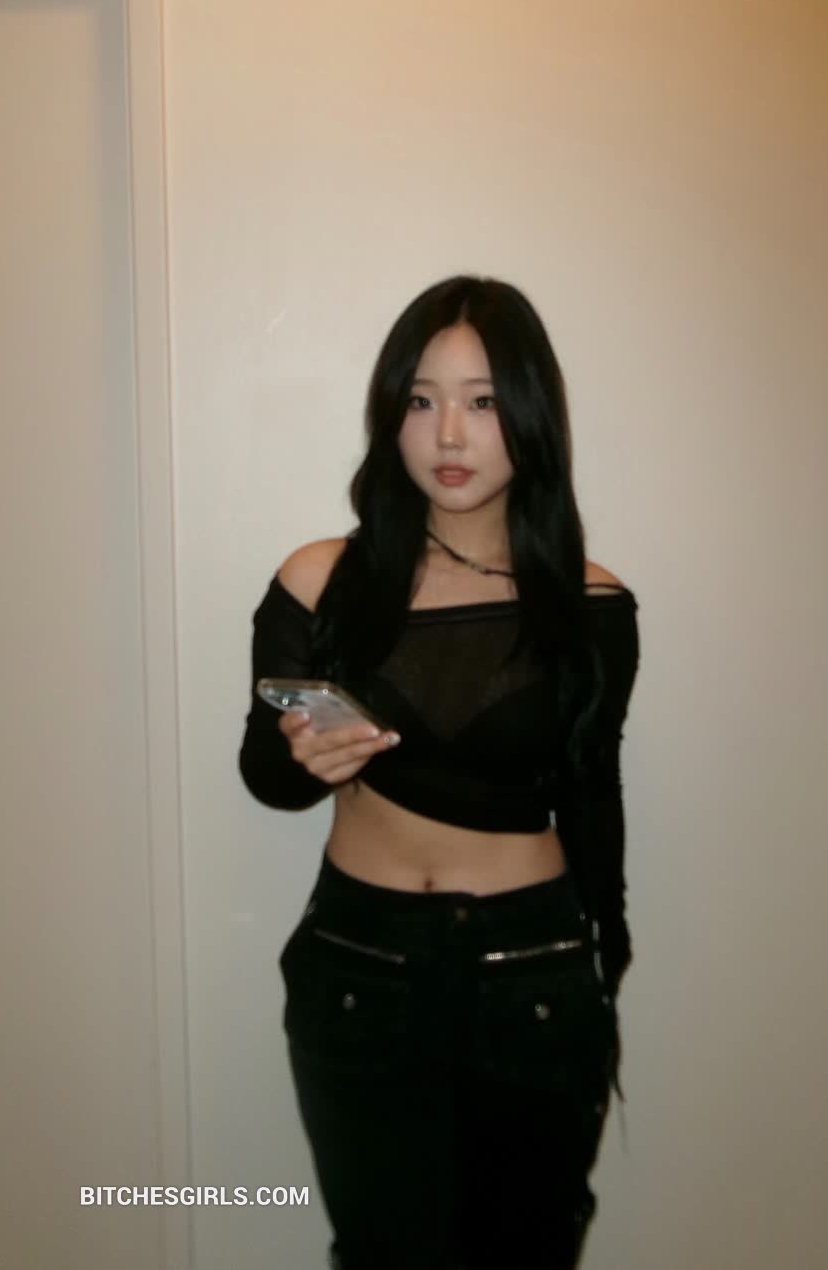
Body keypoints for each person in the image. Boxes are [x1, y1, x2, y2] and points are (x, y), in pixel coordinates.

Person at [237, 274, 641, 1270]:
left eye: (483, 400)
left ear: (531, 414)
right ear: (391, 415)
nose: (449, 434)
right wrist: (302, 759)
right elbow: (266, 773)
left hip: (532, 969)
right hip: (361, 963)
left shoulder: (590, 604)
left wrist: (603, 968)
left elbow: (592, 796)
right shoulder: (321, 579)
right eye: (421, 400)